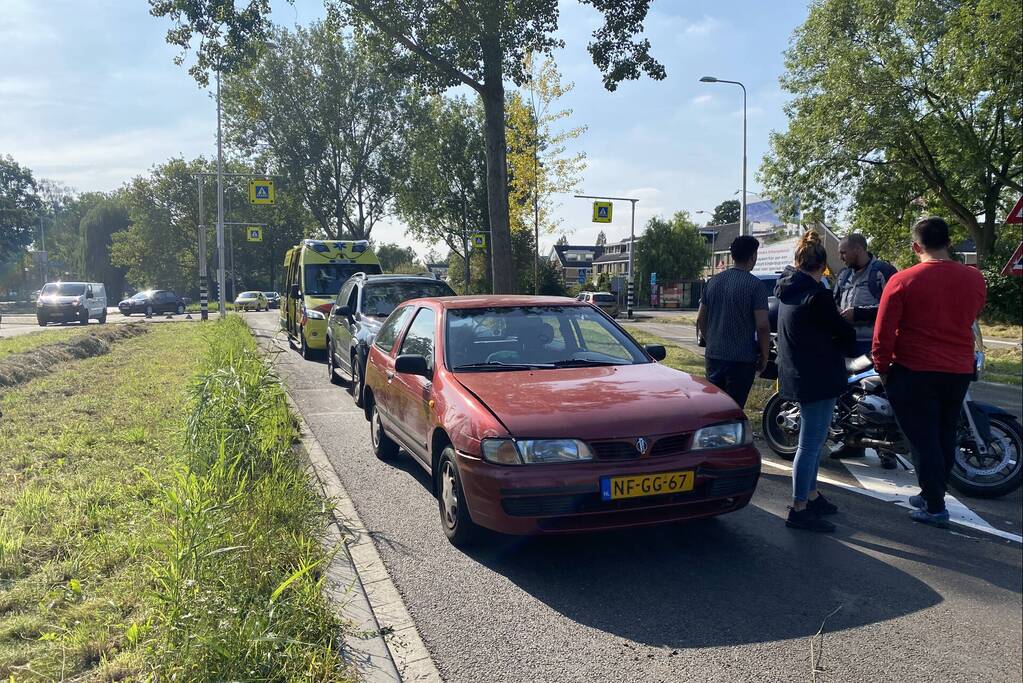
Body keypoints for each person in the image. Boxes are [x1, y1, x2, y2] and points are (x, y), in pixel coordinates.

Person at [873, 217, 986, 529]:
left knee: (923, 440)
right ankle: (930, 493)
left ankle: (935, 507)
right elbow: (973, 313)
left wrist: (882, 368)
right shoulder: (974, 278)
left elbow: (884, 331)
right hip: (958, 369)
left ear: (915, 247)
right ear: (949, 243)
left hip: (914, 370)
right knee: (945, 434)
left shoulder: (903, 280)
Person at [775, 231, 858, 532]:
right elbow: (842, 332)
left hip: (798, 373)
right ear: (822, 266)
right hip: (819, 375)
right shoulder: (818, 295)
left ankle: (811, 496)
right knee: (810, 445)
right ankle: (799, 509)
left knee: (812, 441)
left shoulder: (786, 289)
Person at [832, 233, 899, 466]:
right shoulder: (843, 275)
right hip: (847, 344)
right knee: (847, 395)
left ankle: (887, 449)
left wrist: (859, 314)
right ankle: (852, 442)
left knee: (882, 394)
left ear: (858, 249)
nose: (841, 257)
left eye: (843, 252)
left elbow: (893, 306)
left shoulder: (882, 272)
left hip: (873, 344)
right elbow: (834, 302)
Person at [696, 235, 771, 409]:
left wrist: (711, 341)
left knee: (714, 408)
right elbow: (762, 326)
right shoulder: (756, 286)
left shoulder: (712, 282)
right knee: (734, 409)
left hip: (714, 356)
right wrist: (765, 355)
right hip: (742, 359)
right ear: (752, 256)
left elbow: (700, 318)